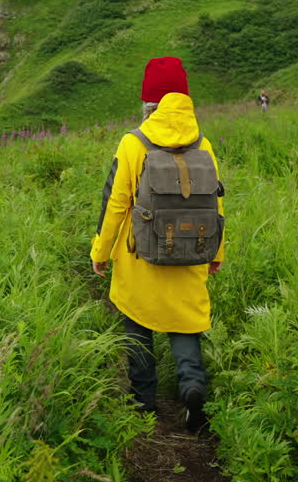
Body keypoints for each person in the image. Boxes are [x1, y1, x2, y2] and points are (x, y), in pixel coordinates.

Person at [90, 57, 225, 434]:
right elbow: (216, 204)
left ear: (148, 102)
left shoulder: (133, 143)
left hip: (140, 259)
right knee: (184, 325)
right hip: (191, 253)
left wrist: (101, 251)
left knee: (137, 322)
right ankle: (192, 387)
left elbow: (115, 203)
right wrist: (216, 252)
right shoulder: (202, 143)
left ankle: (142, 402)